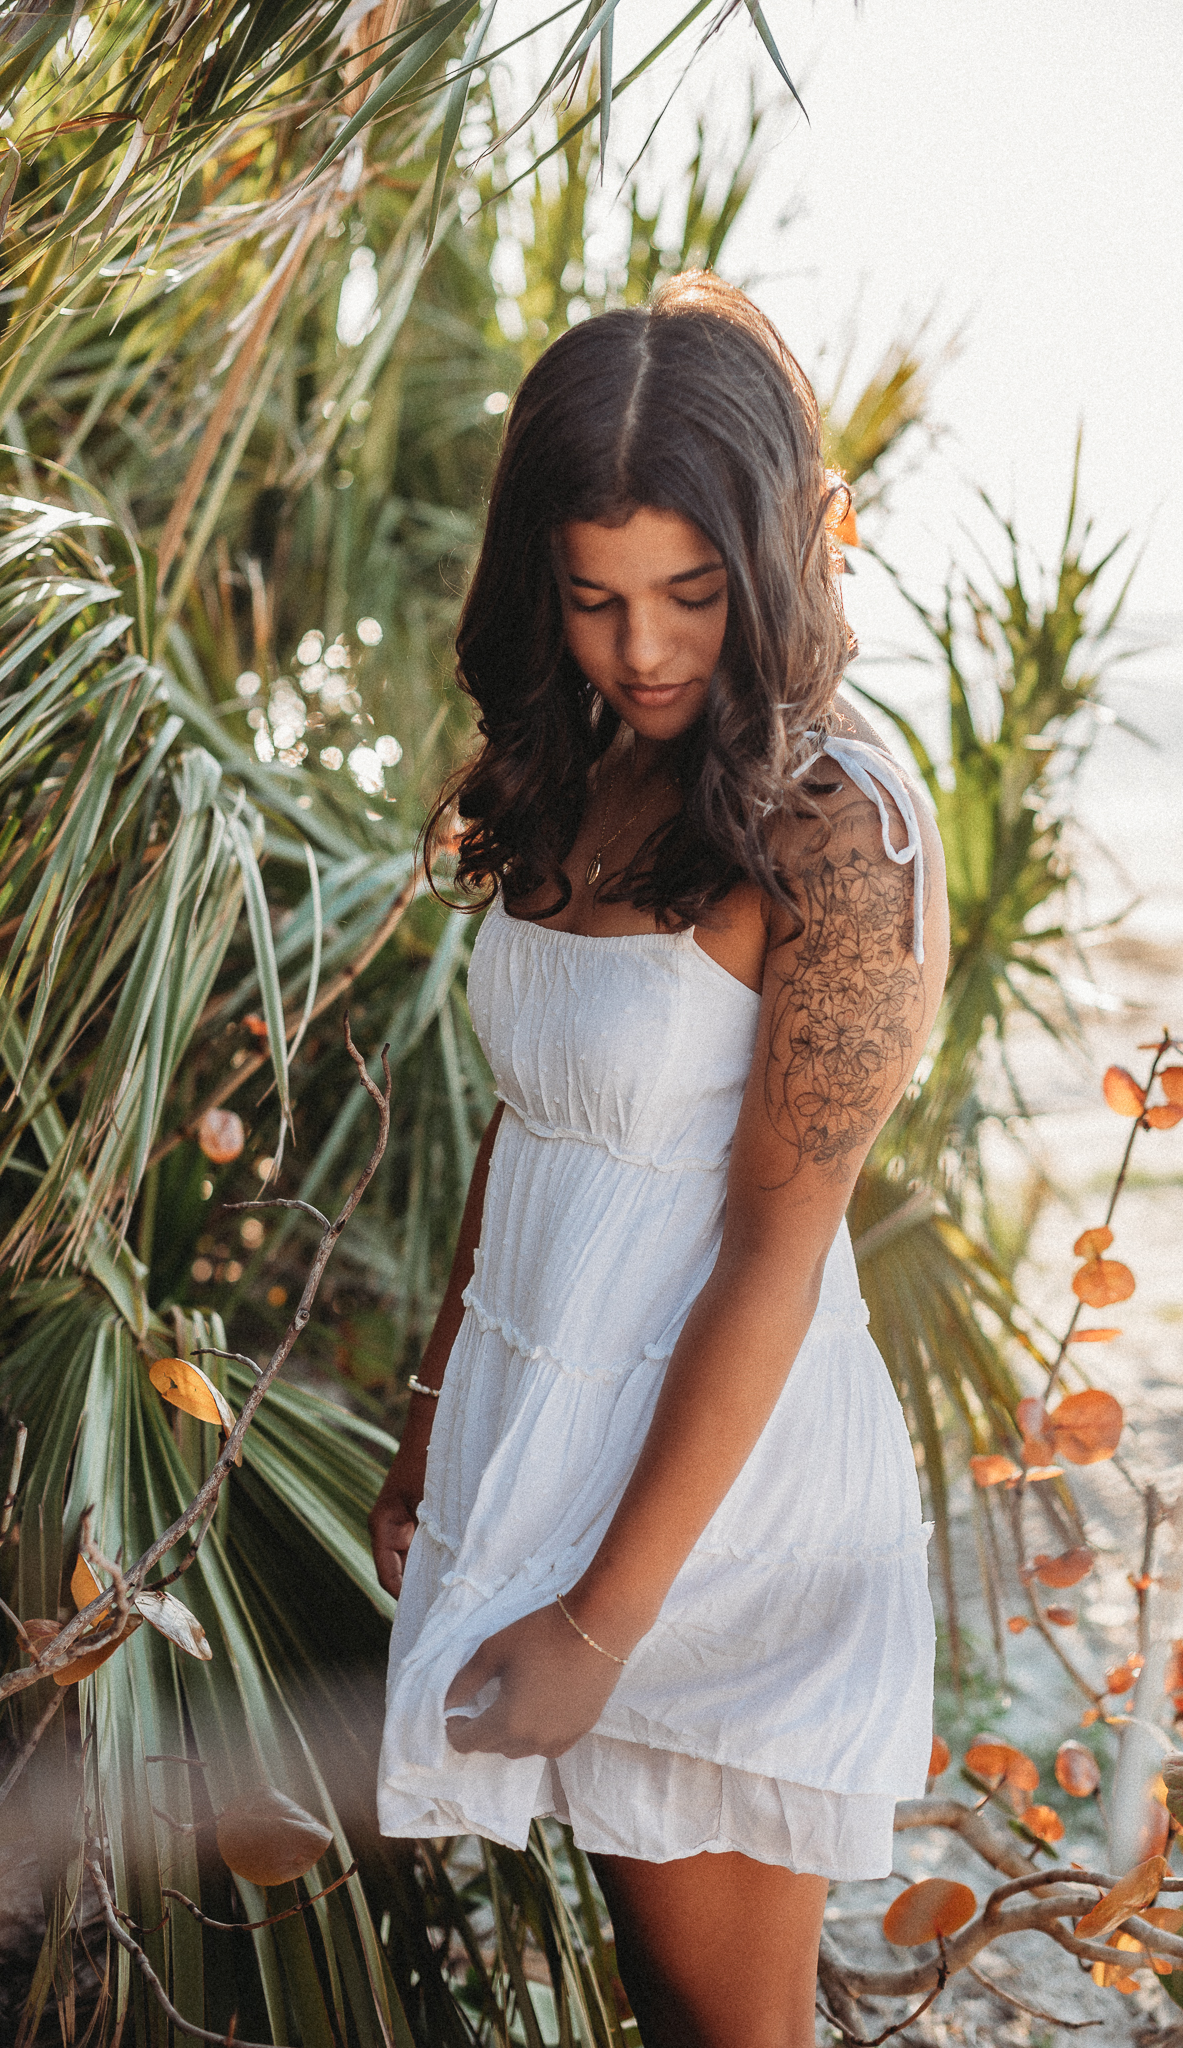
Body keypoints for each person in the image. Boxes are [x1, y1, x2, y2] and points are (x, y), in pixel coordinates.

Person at [369, 272, 950, 2048]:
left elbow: (776, 1251)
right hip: (543, 1443)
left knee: (728, 2027)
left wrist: (603, 1626)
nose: (645, 651)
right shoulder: (579, 772)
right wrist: (431, 1425)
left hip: (724, 1507)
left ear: (775, 559)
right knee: (657, 1997)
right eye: (596, 598)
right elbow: (528, 1122)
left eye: (692, 596)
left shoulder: (836, 831)